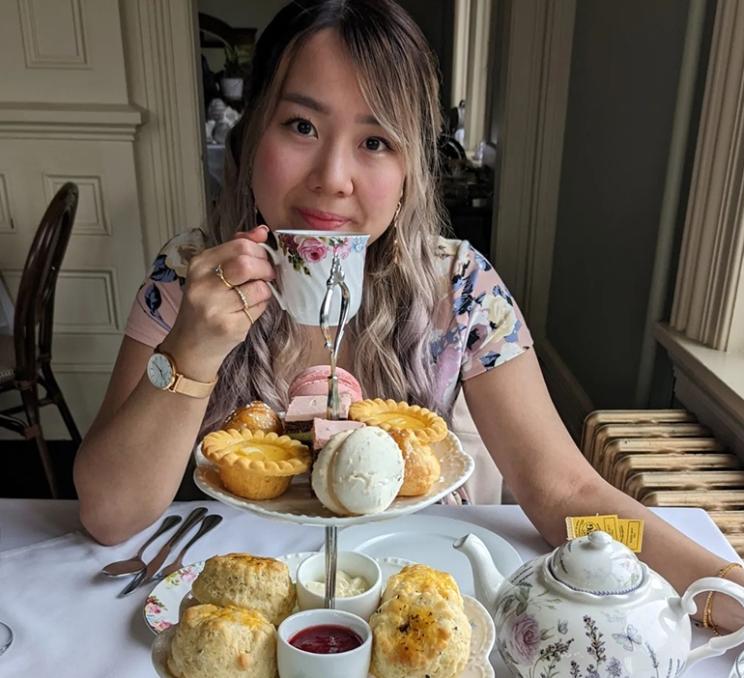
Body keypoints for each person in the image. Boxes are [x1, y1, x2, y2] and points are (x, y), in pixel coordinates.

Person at [73, 0, 744, 633]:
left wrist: (719, 583)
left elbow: (563, 488)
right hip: (250, 610)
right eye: (301, 125)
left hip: (416, 603)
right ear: (251, 136)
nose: (333, 176)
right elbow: (110, 516)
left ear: (411, 173)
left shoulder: (462, 288)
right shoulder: (188, 276)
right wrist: (190, 354)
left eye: (376, 141)